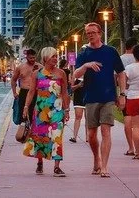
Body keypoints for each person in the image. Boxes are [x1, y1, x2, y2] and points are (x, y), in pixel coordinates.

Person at [74, 22, 126, 178]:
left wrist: (122, 94)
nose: (90, 35)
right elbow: (76, 74)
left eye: (93, 32)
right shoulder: (84, 53)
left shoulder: (110, 51)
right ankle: (96, 157)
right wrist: (86, 65)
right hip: (90, 97)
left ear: (100, 33)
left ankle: (104, 166)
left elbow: (121, 73)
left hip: (108, 97)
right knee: (91, 134)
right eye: (88, 33)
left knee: (105, 131)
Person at [23, 47, 70, 177]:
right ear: (45, 58)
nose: (55, 58)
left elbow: (65, 92)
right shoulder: (37, 74)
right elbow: (31, 92)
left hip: (57, 110)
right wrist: (26, 106)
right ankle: (40, 162)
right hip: (41, 110)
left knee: (57, 137)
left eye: (56, 56)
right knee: (40, 137)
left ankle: (57, 167)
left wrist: (66, 109)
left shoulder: (61, 73)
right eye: (52, 56)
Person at [124, 44, 139, 159]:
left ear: (134, 55)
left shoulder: (129, 68)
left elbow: (125, 85)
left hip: (133, 98)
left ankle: (137, 153)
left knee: (136, 126)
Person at [11, 49, 41, 126]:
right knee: (23, 116)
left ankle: (33, 129)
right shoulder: (20, 67)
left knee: (35, 115)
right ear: (26, 57)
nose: (33, 59)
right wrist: (14, 93)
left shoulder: (40, 67)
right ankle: (24, 130)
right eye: (31, 58)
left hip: (36, 92)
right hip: (24, 92)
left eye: (34, 57)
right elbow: (13, 80)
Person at [121, 37, 137, 156]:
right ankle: (138, 145)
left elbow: (116, 76)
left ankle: (131, 147)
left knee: (127, 118)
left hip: (126, 93)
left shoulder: (120, 58)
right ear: (134, 47)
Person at [69, 71, 86, 144]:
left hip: (88, 98)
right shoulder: (75, 74)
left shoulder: (91, 73)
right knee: (78, 117)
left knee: (88, 118)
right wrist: (78, 85)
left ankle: (88, 137)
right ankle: (74, 137)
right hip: (78, 98)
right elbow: (71, 89)